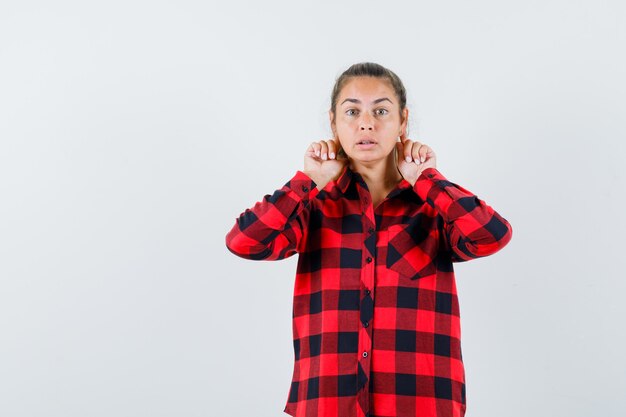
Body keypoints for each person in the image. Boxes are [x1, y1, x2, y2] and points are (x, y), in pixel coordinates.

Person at [225, 62, 513, 417]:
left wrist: (428, 180)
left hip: (419, 404)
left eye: (380, 110)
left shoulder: (433, 206)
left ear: (402, 121)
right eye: (352, 111)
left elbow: (492, 235)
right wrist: (308, 180)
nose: (366, 123)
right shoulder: (314, 204)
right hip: (327, 404)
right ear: (333, 122)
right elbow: (245, 242)